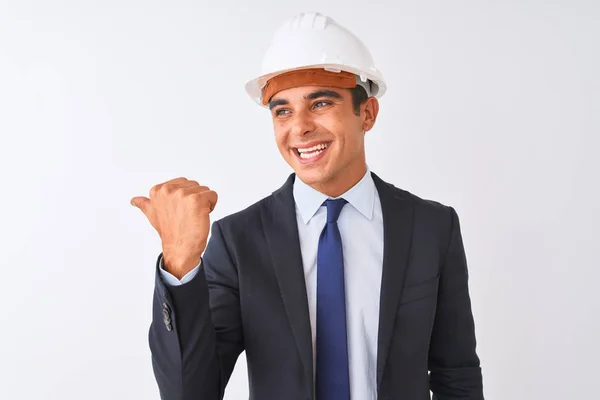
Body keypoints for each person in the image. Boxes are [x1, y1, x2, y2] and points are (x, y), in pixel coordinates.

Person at [131, 11, 484, 400]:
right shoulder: (238, 241)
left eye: (320, 104)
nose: (299, 127)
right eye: (282, 110)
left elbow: (457, 375)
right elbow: (190, 393)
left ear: (366, 113)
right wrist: (180, 263)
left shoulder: (432, 228)